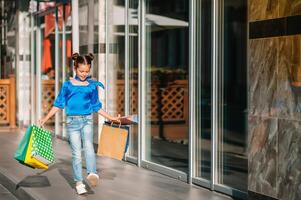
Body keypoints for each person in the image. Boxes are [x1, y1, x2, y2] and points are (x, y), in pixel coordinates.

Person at [39, 52, 120, 195]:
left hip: (87, 120)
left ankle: (92, 173)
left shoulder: (91, 86)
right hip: (72, 123)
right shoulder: (68, 85)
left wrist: (111, 117)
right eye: (81, 71)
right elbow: (58, 104)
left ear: (90, 69)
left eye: (87, 71)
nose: (84, 74)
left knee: (88, 147)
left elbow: (96, 107)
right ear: (75, 68)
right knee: (76, 153)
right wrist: (45, 118)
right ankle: (79, 182)